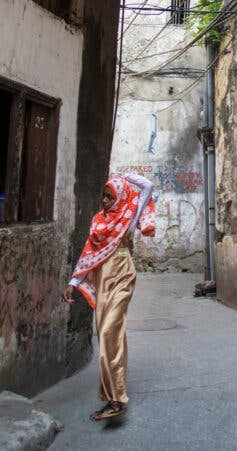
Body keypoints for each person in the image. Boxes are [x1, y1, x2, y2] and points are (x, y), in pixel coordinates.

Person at [62, 173, 156, 421]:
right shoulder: (98, 222)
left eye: (109, 196)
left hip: (122, 275)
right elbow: (88, 252)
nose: (104, 201)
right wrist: (74, 281)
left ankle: (118, 399)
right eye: (103, 196)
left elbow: (148, 186)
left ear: (120, 197)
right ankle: (111, 394)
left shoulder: (128, 215)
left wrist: (124, 176)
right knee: (106, 334)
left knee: (108, 332)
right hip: (103, 279)